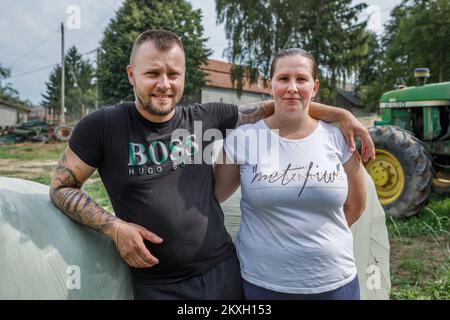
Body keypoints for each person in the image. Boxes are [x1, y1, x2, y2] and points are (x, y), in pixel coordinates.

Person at [49, 30, 374, 300]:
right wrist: (114, 226)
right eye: (152, 73)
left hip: (224, 273)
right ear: (132, 75)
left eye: (173, 74)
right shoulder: (104, 126)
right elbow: (61, 186)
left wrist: (341, 115)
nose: (164, 84)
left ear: (183, 76)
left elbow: (282, 104)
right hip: (159, 283)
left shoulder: (205, 118)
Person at [214, 48, 367, 300]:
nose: (292, 87)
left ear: (314, 86)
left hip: (335, 282)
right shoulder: (245, 138)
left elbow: (356, 205)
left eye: (301, 79)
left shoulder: (337, 137)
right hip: (263, 284)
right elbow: (211, 196)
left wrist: (315, 245)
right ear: (270, 84)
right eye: (284, 79)